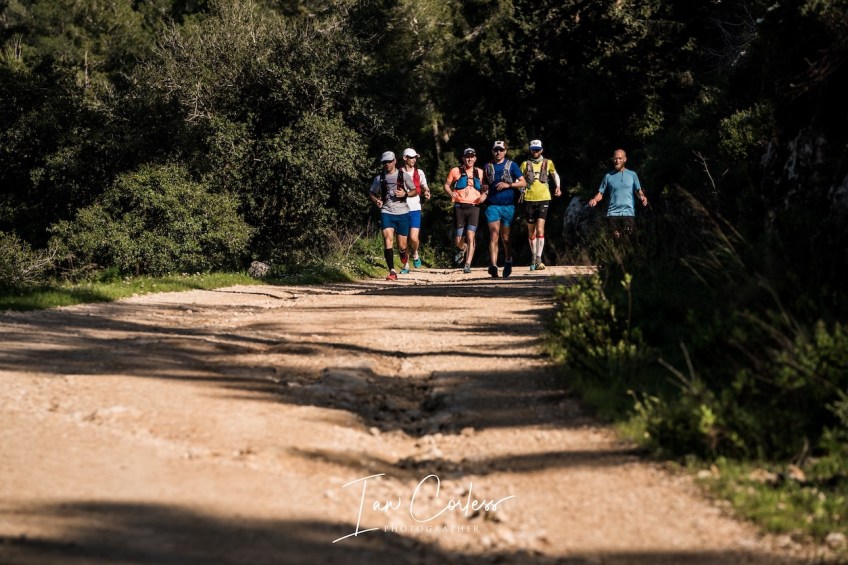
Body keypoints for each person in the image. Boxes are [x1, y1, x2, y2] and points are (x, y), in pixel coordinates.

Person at [369, 151, 417, 280]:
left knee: (402, 245)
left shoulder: (403, 176)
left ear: (395, 161)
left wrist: (405, 194)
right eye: (385, 162)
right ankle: (392, 271)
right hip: (387, 212)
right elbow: (372, 193)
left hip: (402, 213)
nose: (387, 164)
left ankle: (403, 254)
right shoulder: (379, 178)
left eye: (390, 161)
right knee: (387, 239)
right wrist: (376, 201)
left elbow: (415, 191)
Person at [483, 140, 526, 278]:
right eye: (496, 150)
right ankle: (494, 265)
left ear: (505, 151)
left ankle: (508, 260)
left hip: (508, 206)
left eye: (501, 150)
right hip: (492, 205)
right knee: (494, 234)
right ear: (492, 151)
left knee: (505, 237)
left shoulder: (512, 165)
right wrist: (483, 189)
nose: (498, 152)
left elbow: (523, 182)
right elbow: (484, 183)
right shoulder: (488, 166)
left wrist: (509, 185)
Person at [588, 148, 648, 239]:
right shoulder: (608, 176)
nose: (617, 161)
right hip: (613, 213)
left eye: (620, 158)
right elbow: (600, 193)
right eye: (615, 158)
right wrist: (594, 200)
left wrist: (642, 197)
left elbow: (638, 191)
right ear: (613, 160)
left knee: (628, 238)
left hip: (628, 213)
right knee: (617, 238)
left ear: (625, 159)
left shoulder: (632, 175)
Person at [520, 139, 561, 271]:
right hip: (529, 199)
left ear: (541, 150)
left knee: (540, 229)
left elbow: (555, 175)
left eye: (537, 149)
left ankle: (538, 258)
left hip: (544, 198)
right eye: (533, 150)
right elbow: (519, 179)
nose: (535, 152)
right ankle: (533, 255)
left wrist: (558, 187)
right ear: (530, 150)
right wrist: (521, 189)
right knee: (531, 231)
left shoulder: (548, 162)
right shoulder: (525, 164)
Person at [444, 148, 486, 274]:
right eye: (467, 157)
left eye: (472, 156)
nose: (469, 159)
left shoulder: (480, 172)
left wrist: (484, 196)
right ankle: (462, 248)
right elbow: (446, 185)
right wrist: (451, 193)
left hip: (474, 206)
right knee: (458, 240)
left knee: (470, 234)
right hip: (459, 206)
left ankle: (467, 264)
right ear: (463, 158)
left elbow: (486, 188)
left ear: (475, 158)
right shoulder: (455, 171)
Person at [400, 147, 431, 273]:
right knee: (403, 240)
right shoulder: (398, 173)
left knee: (413, 238)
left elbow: (424, 186)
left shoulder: (419, 173)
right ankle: (406, 265)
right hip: (400, 209)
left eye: (415, 158)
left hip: (415, 208)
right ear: (405, 158)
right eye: (411, 157)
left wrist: (427, 192)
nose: (414, 160)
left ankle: (415, 252)